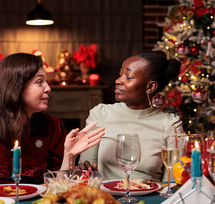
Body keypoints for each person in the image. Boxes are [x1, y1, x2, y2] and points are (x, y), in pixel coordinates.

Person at [0, 53, 105, 184]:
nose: (48, 88)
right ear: (15, 87)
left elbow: (56, 185)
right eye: (39, 82)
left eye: (46, 81)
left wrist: (69, 154)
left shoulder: (53, 126)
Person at [78, 50, 183, 182]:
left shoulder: (170, 125)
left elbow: (171, 183)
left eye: (128, 76)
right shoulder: (100, 114)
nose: (118, 81)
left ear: (150, 86)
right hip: (106, 198)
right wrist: (85, 173)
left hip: (150, 199)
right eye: (120, 74)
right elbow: (87, 171)